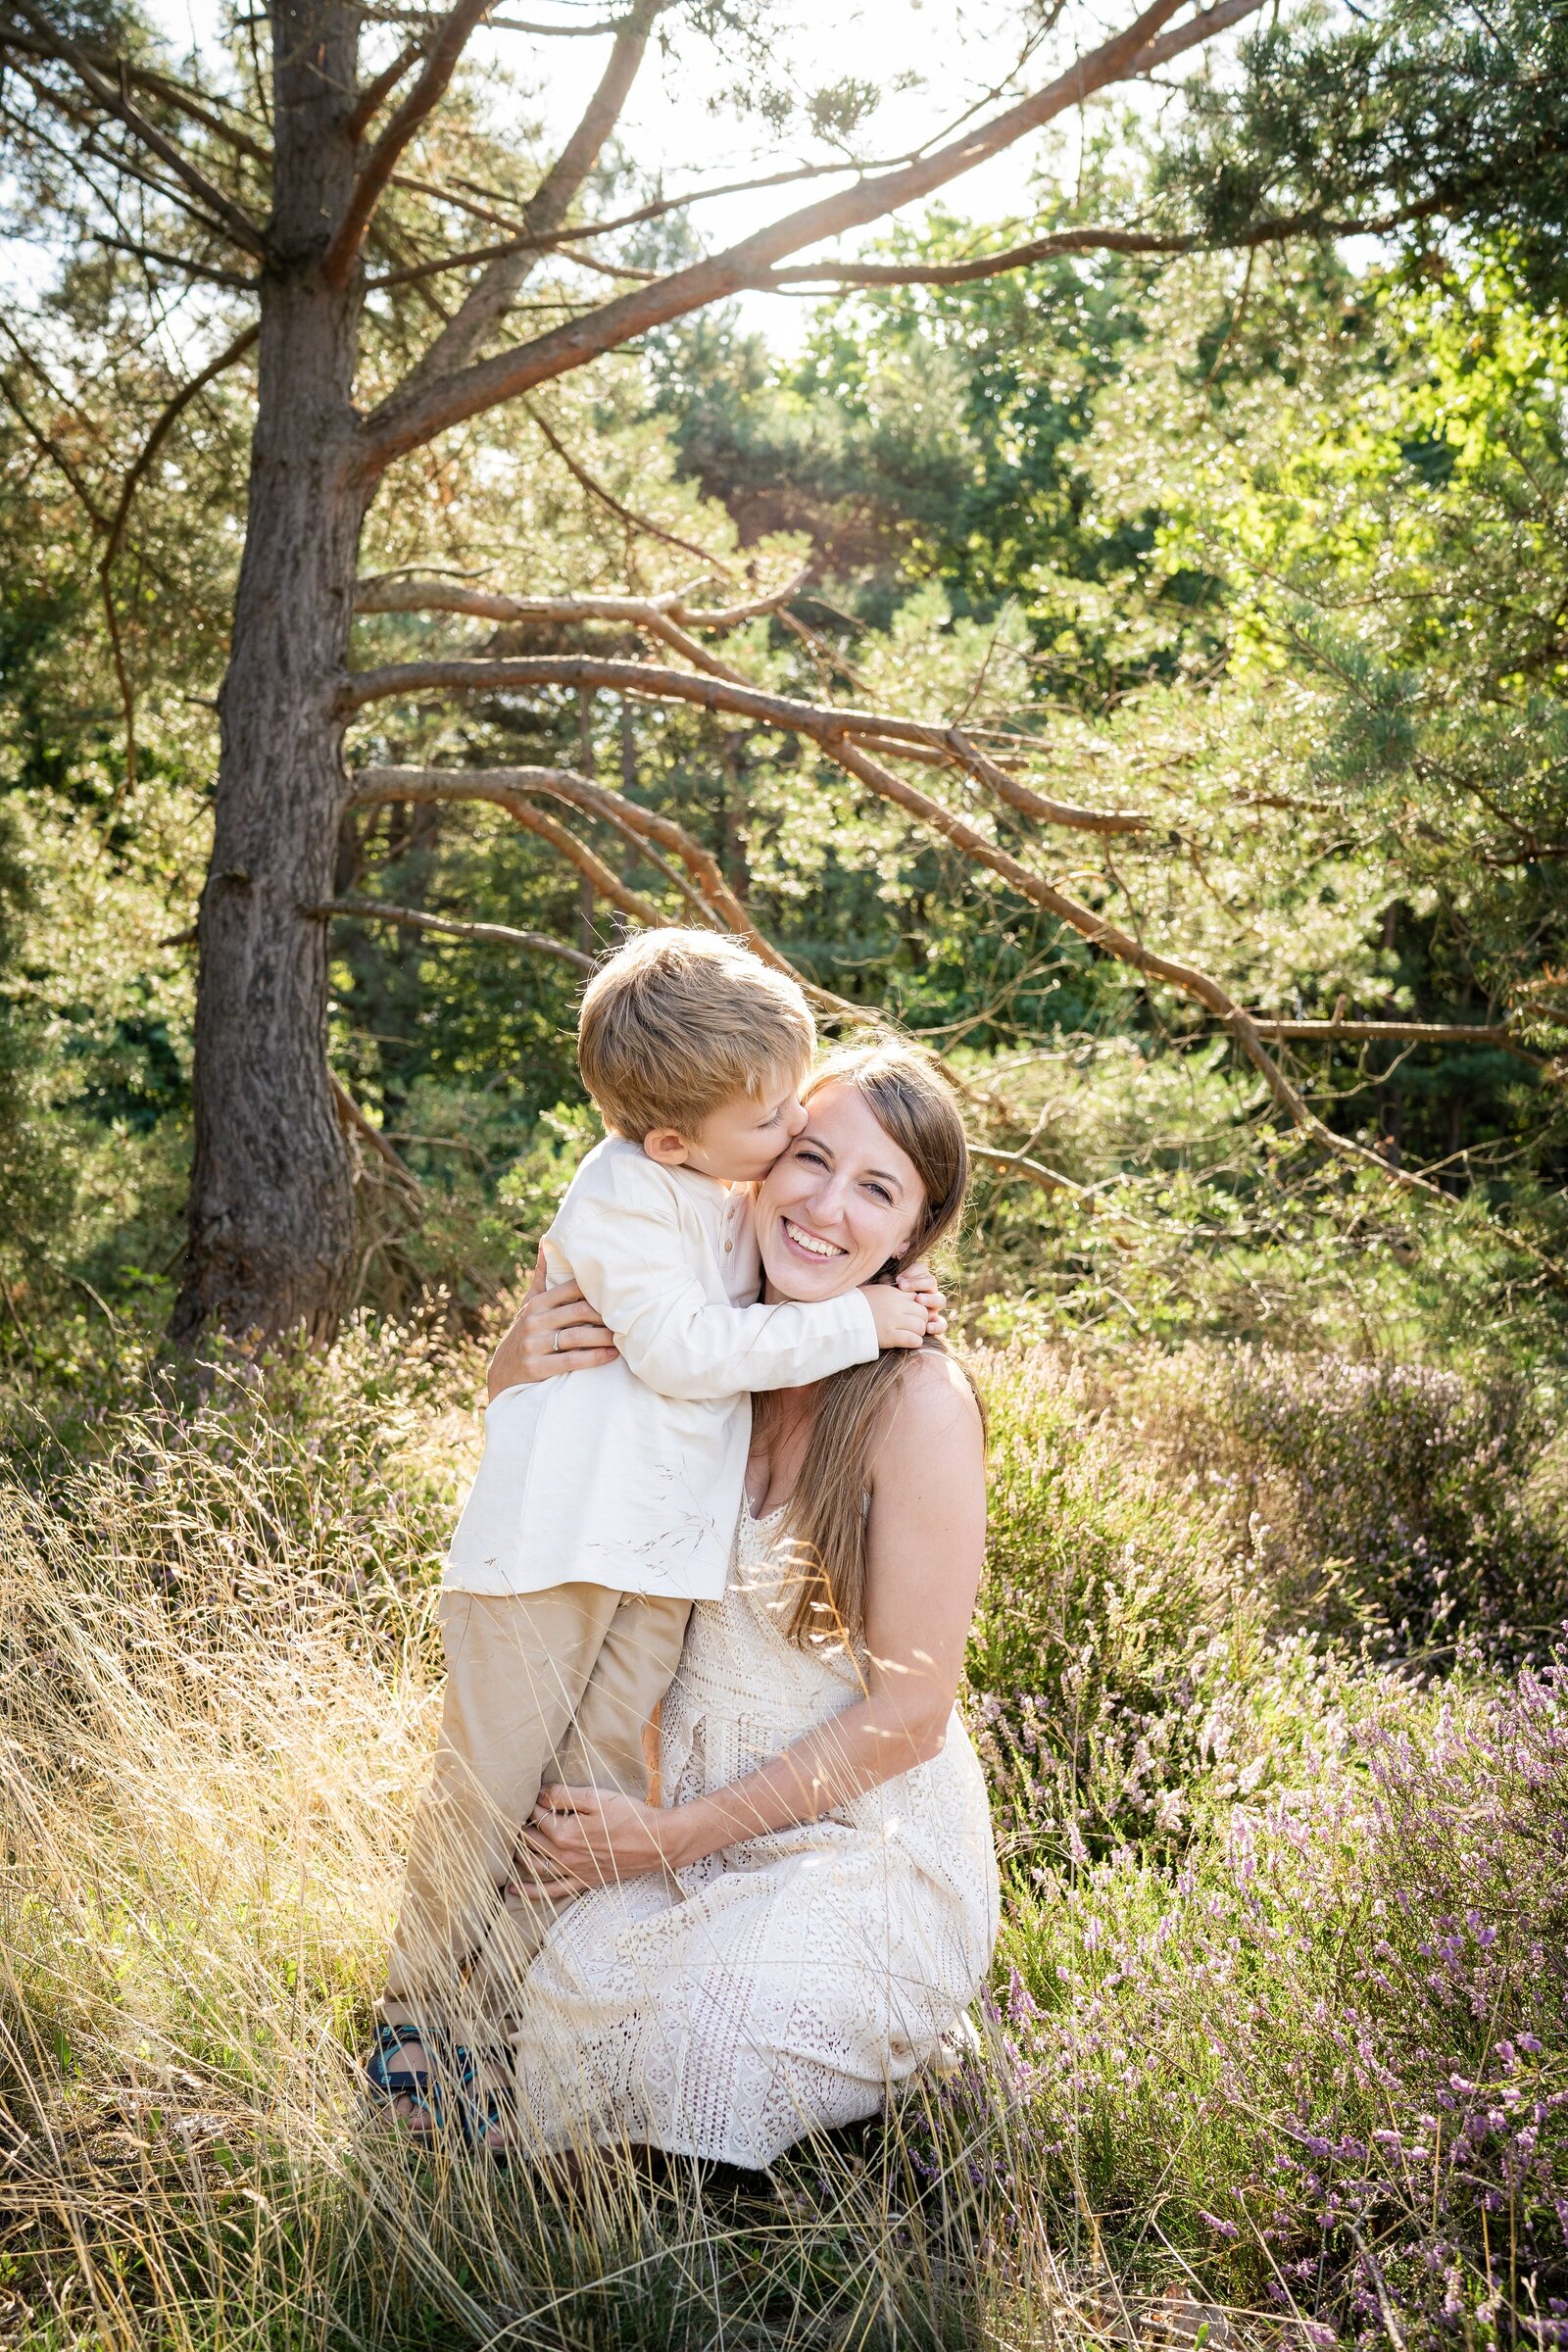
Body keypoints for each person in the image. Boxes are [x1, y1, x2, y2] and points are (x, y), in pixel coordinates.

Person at [369, 934, 933, 2142]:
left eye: (796, 1103)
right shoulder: (623, 1191)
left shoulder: (725, 1193)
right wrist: (864, 1322)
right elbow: (677, 1355)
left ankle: (496, 2016)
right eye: (778, 1123)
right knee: (490, 1792)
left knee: (584, 1803)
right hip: (554, 1554)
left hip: (653, 1575)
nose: (789, 1140)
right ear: (675, 1137)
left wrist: (878, 1319)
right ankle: (416, 2024)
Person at [498, 1040, 999, 2171]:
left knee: (705, 2043)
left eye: (876, 1188)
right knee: (545, 2012)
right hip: (671, 1824)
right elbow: (537, 1473)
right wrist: (513, 1364)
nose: (825, 1206)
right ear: (752, 1169)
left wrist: (667, 1838)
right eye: (808, 1159)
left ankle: (798, 2190)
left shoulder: (914, 1400)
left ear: (913, 1234)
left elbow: (912, 1714)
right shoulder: (695, 1337)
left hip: (860, 1843)